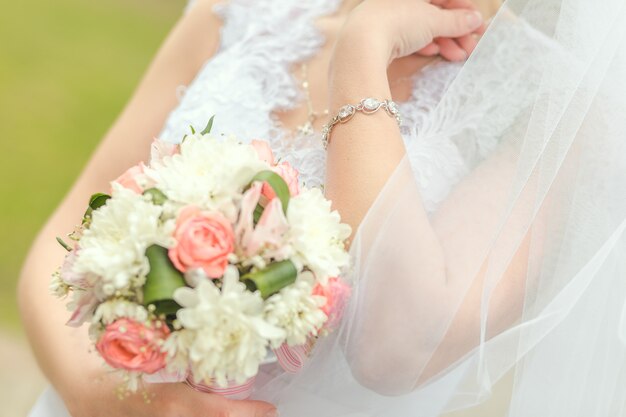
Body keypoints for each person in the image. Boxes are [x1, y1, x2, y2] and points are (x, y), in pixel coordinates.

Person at [20, 0, 626, 416]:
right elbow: (68, 235)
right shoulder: (242, 13)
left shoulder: (554, 109)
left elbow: (393, 349)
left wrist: (361, 58)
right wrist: (105, 399)